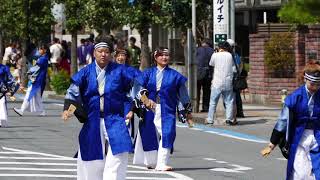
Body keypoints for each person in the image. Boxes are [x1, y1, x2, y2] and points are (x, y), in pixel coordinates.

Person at [62, 36, 136, 180]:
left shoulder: (121, 71)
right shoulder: (85, 72)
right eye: (100, 51)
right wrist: (68, 111)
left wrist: (137, 105)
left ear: (111, 54)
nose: (103, 54)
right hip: (93, 119)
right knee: (92, 157)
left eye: (106, 52)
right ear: (94, 52)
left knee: (119, 151)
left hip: (115, 118)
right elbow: (73, 93)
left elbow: (134, 89)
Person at [133, 47, 193, 171]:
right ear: (155, 58)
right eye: (161, 55)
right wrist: (145, 99)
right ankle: (151, 161)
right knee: (148, 132)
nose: (164, 57)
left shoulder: (175, 75)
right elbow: (137, 86)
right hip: (149, 107)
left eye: (166, 55)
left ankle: (161, 163)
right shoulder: (147, 73)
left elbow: (183, 94)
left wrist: (187, 112)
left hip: (167, 108)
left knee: (168, 133)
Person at [263, 60, 320, 180]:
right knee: (301, 174)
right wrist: (272, 144)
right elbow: (283, 122)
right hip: (299, 138)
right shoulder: (295, 98)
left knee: (318, 172)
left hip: (317, 136)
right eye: (312, 84)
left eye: (318, 84)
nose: (315, 87)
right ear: (305, 79)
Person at [13, 44, 49, 117]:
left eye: (40, 49)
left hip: (37, 80)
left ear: (45, 50)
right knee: (37, 96)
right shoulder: (42, 58)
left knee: (29, 94)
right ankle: (42, 111)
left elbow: (36, 67)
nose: (39, 51)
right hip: (38, 80)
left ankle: (22, 110)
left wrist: (29, 71)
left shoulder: (43, 59)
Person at [206, 41, 236, 126]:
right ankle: (229, 119)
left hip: (217, 82)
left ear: (219, 47)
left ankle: (210, 119)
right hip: (228, 82)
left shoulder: (215, 55)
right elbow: (233, 67)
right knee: (229, 101)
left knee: (213, 102)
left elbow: (211, 64)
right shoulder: (230, 55)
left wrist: (216, 53)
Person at [226, 39, 245, 118]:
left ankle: (233, 113)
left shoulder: (229, 55)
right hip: (235, 76)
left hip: (231, 76)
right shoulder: (236, 55)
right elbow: (240, 66)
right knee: (236, 95)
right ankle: (239, 112)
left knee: (231, 95)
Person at [196, 39, 214, 112]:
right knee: (206, 92)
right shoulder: (212, 51)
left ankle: (195, 107)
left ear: (203, 43)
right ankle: (205, 108)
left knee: (196, 91)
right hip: (208, 73)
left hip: (198, 73)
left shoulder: (197, 50)